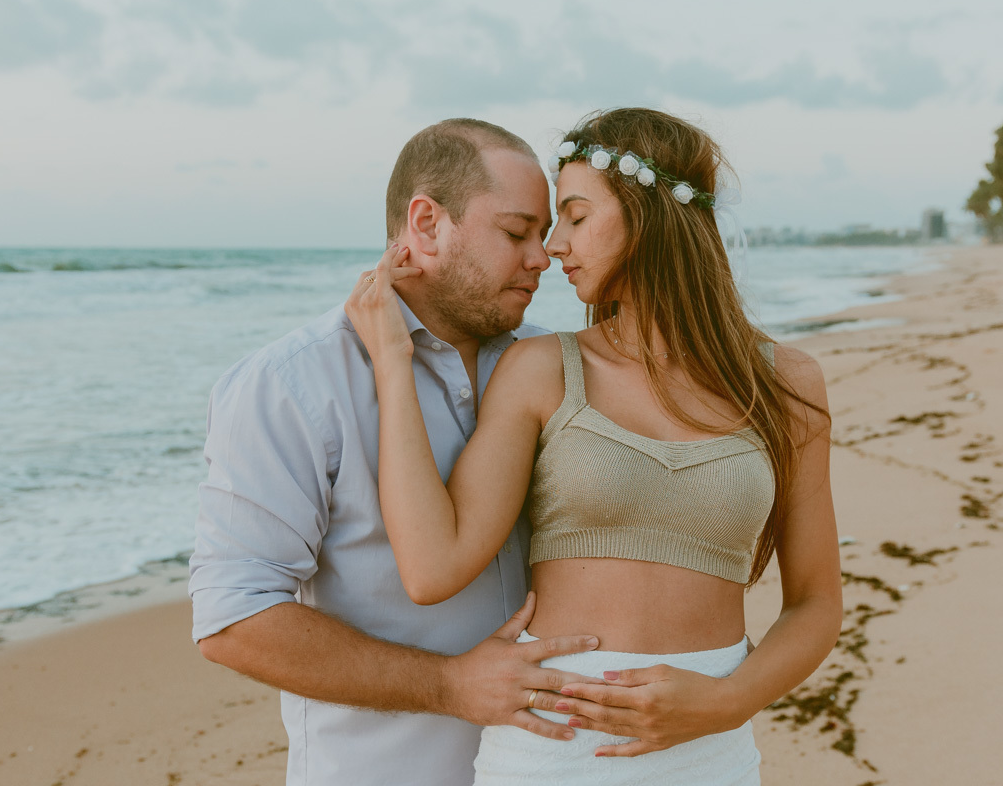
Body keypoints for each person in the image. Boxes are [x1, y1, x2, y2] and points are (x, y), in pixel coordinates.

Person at [189, 117, 755, 786]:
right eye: (516, 233)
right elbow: (234, 619)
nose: (543, 255)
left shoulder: (550, 366)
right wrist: (448, 686)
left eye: (548, 231)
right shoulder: (291, 385)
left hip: (560, 765)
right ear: (426, 224)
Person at [345, 107, 843, 784]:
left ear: (647, 217)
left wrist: (730, 700)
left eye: (576, 217)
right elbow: (433, 566)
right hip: (551, 753)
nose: (553, 248)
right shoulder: (542, 370)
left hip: (712, 755)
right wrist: (392, 361)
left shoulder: (787, 388)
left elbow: (817, 603)